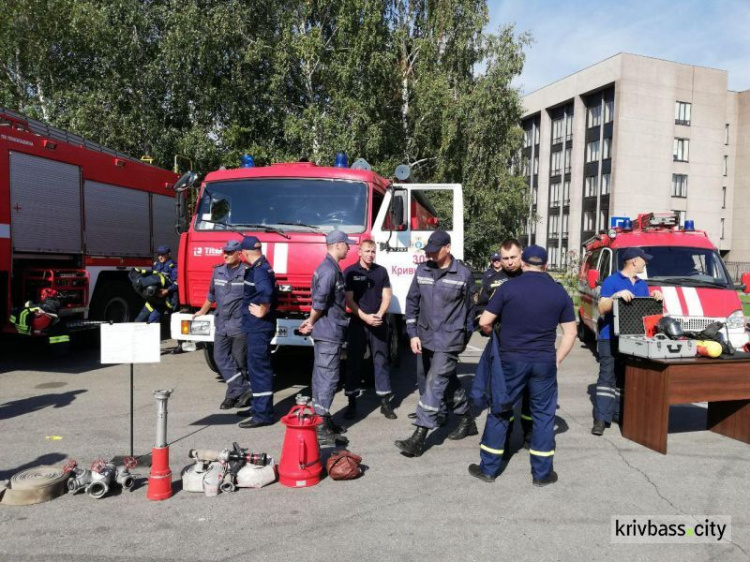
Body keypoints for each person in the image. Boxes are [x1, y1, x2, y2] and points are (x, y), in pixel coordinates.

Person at [470, 245, 577, 487]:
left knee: (500, 410)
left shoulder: (508, 288)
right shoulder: (558, 292)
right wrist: (557, 358)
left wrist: (495, 331)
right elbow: (571, 332)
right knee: (543, 415)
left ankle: (488, 469)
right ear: (546, 265)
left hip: (511, 360)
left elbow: (485, 322)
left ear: (523, 263)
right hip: (544, 362)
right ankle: (542, 474)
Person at [394, 229, 476, 458]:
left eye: (434, 250)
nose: (429, 255)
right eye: (427, 250)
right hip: (425, 337)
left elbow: (471, 312)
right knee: (446, 380)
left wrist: (463, 339)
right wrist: (412, 334)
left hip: (449, 340)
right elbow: (412, 303)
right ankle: (467, 419)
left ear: (447, 248)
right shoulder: (423, 270)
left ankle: (419, 437)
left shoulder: (463, 275)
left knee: (434, 383)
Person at [592, 247, 663, 436]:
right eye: (643, 260)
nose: (645, 263)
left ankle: (620, 413)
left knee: (625, 377)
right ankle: (601, 418)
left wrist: (655, 297)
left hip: (633, 340)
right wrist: (615, 296)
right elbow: (601, 307)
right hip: (610, 338)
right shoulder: (612, 281)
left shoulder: (642, 284)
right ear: (633, 261)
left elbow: (646, 312)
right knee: (607, 378)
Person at [299, 230, 354, 445]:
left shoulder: (330, 267)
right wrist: (311, 321)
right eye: (346, 244)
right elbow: (320, 302)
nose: (349, 248)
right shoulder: (329, 270)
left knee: (322, 375)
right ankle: (320, 426)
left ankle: (323, 418)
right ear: (337, 245)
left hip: (329, 330)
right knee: (328, 377)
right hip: (329, 331)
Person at [193, 240, 252, 411]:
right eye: (224, 252)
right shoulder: (218, 271)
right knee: (219, 358)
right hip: (221, 323)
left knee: (239, 361)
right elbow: (211, 295)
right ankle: (243, 389)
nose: (225, 255)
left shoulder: (247, 272)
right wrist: (202, 312)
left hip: (239, 324)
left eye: (230, 252)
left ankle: (233, 395)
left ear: (239, 254)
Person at [343, 239, 396, 420]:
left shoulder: (381, 271)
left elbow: (387, 295)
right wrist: (365, 317)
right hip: (358, 322)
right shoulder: (350, 272)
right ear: (359, 252)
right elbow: (349, 299)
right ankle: (351, 402)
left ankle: (385, 402)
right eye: (367, 251)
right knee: (354, 361)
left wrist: (380, 315)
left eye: (373, 252)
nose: (370, 255)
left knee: (381, 361)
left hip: (378, 322)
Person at [237, 236, 278, 429]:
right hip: (256, 327)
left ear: (245, 254)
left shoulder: (259, 270)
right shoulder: (262, 266)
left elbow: (267, 292)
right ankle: (257, 406)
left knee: (259, 369)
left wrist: (263, 308)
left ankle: (263, 414)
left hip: (258, 328)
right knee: (254, 367)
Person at [134, 245, 178, 324]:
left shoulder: (173, 267)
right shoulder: (156, 265)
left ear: (168, 254)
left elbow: (176, 283)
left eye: (162, 255)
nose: (160, 257)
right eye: (159, 255)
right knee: (139, 320)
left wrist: (167, 291)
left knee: (153, 320)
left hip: (166, 299)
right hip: (154, 297)